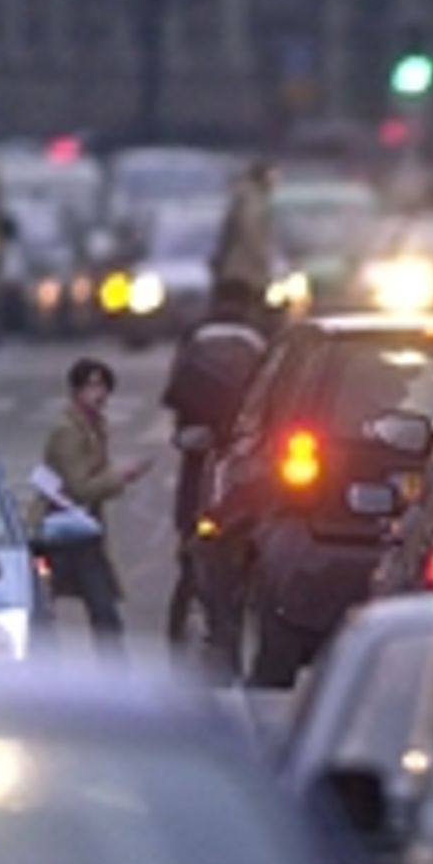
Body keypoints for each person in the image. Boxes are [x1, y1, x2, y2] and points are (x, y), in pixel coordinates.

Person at [158, 277, 267, 648]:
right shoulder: (259, 337)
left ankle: (188, 574)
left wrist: (187, 429)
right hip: (239, 453)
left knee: (191, 528)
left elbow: (177, 393)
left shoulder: (198, 334)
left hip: (198, 449)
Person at [31, 357, 152, 656]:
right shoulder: (69, 431)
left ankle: (111, 670)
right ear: (76, 391)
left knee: (102, 611)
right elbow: (80, 488)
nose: (98, 394)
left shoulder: (94, 427)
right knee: (82, 609)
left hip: (81, 528)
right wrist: (120, 476)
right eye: (90, 387)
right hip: (61, 531)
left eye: (103, 387)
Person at [212, 160, 275, 300]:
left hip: (234, 269)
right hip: (244, 270)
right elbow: (250, 230)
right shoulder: (252, 199)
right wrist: (261, 256)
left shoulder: (243, 197)